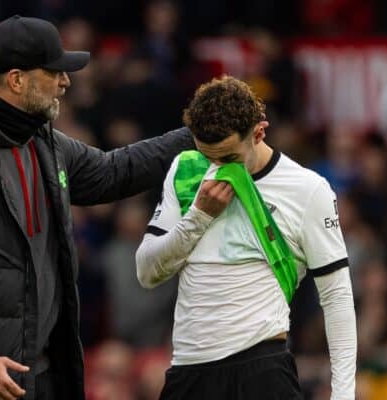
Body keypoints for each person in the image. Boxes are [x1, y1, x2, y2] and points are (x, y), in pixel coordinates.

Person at [0, 15, 203, 400]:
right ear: (17, 79)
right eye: (54, 72)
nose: (66, 82)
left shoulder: (42, 143)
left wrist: (198, 133)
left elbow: (113, 171)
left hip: (29, 379)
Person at [136, 76, 357, 400]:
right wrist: (198, 217)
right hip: (189, 371)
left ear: (258, 132)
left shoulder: (308, 189)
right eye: (207, 155)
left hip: (261, 371)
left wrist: (344, 395)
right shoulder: (186, 171)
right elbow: (146, 272)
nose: (217, 168)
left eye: (228, 158)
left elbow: (336, 296)